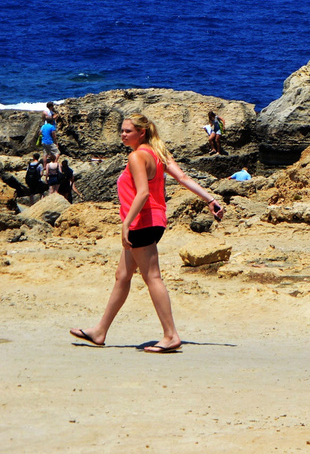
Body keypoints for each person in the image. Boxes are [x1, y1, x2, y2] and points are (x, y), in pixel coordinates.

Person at [70, 113, 226, 351]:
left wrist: (126, 223)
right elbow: (182, 178)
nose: (123, 134)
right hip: (155, 220)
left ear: (141, 133)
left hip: (141, 222)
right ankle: (100, 331)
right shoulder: (159, 153)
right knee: (122, 276)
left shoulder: (137, 156)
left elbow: (142, 193)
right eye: (121, 131)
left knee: (152, 277)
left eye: (127, 131)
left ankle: (171, 335)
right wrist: (210, 200)